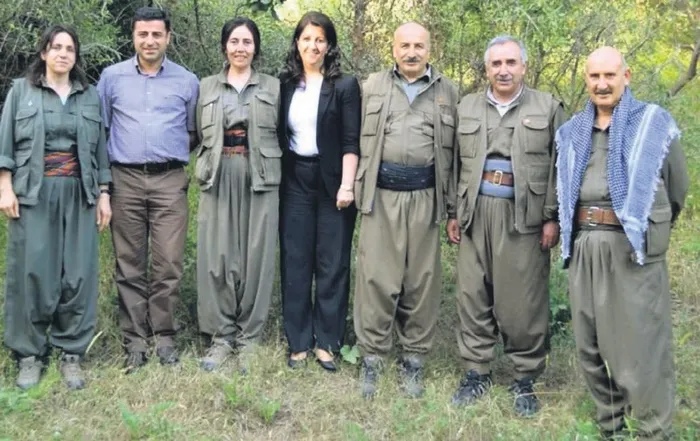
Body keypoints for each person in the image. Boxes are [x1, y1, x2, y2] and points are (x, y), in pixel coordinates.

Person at [556, 46, 688, 440]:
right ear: (586, 80)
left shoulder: (653, 123)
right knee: (590, 343)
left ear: (626, 77)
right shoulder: (571, 132)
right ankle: (611, 424)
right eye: (594, 76)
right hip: (585, 246)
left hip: (632, 250)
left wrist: (645, 229)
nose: (602, 84)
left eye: (609, 75)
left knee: (640, 345)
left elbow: (677, 189)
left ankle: (652, 429)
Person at [446, 35, 565, 416]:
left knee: (522, 302)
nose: (503, 70)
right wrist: (453, 211)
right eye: (496, 64)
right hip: (475, 212)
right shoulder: (466, 107)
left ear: (524, 67)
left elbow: (561, 166)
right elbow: (453, 163)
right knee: (472, 295)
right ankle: (476, 372)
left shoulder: (547, 107)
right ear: (486, 69)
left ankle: (524, 378)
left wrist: (552, 217)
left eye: (511, 62)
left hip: (523, 217)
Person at [0, 25, 112, 390]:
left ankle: (71, 353)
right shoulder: (21, 92)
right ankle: (28, 354)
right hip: (33, 192)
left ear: (76, 56)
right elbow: (5, 144)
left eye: (69, 49)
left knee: (77, 274)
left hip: (79, 193)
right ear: (44, 52)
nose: (63, 54)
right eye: (56, 47)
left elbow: (100, 151)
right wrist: (5, 187)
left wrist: (104, 193)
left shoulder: (89, 96)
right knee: (33, 272)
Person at [353, 22, 458, 397]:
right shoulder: (371, 86)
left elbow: (459, 156)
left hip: (426, 197)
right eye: (405, 45)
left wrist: (452, 209)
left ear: (430, 48)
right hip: (381, 195)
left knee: (421, 281)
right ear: (393, 49)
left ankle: (413, 359)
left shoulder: (448, 92)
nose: (412, 52)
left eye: (419, 45)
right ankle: (372, 357)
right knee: (376, 278)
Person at [97, 7, 199, 371]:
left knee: (169, 261)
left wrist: (164, 155)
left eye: (157, 34)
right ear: (133, 37)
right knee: (130, 263)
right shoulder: (111, 78)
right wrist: (105, 185)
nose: (150, 41)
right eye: (143, 34)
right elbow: (101, 131)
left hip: (169, 179)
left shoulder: (187, 81)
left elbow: (193, 132)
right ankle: (135, 341)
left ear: (168, 37)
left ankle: (165, 337)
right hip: (124, 178)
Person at [194, 17, 281, 373]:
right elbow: (194, 132)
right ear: (224, 46)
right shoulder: (205, 87)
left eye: (247, 42)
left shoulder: (275, 87)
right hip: (218, 175)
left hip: (260, 176)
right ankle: (220, 337)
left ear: (255, 48)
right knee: (217, 257)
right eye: (234, 41)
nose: (240, 48)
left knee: (256, 258)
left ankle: (249, 339)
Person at [278, 11, 361, 372]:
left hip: (333, 183)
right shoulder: (285, 83)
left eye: (320, 40)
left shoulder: (344, 86)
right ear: (297, 43)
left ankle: (327, 341)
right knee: (295, 260)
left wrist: (347, 185)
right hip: (295, 179)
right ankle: (298, 340)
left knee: (332, 262)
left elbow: (351, 140)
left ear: (329, 45)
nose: (313, 46)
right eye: (307, 38)